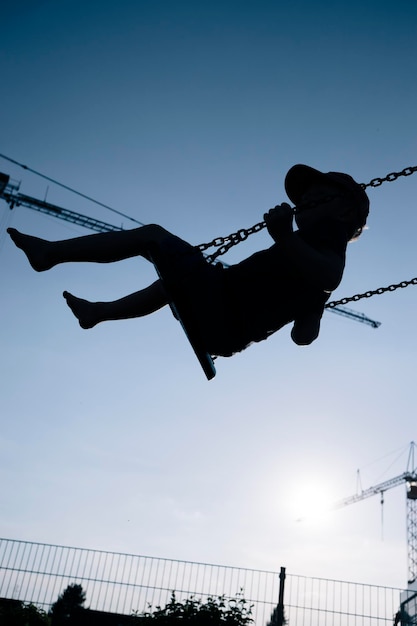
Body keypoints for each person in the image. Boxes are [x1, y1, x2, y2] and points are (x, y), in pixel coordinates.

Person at [7, 164, 369, 358]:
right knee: (173, 282)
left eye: (315, 195)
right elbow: (302, 336)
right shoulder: (310, 257)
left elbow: (329, 278)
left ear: (343, 211)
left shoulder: (328, 256)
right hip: (221, 311)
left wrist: (285, 237)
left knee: (152, 236)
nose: (302, 200)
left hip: (226, 316)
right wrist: (308, 313)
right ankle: (97, 312)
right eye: (301, 196)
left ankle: (50, 254)